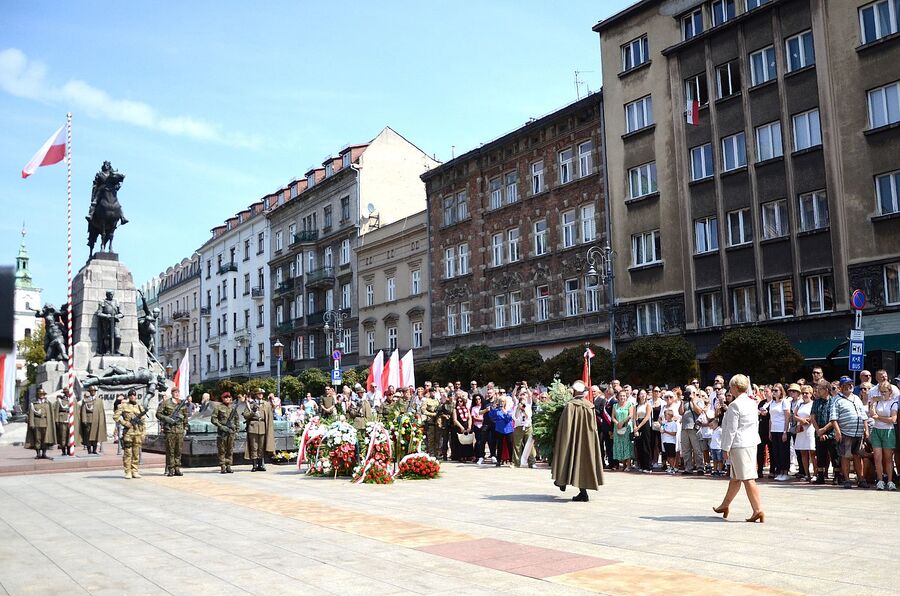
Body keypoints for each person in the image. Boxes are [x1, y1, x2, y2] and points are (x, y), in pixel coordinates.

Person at [714, 374, 764, 523]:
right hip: (750, 442)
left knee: (748, 478)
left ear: (735, 388)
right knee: (735, 477)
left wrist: (725, 447)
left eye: (730, 387)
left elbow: (731, 429)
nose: (729, 389)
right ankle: (725, 505)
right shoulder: (751, 402)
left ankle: (757, 510)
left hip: (739, 444)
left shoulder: (735, 405)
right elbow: (755, 424)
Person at [551, 381, 604, 501]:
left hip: (572, 438)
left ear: (575, 391)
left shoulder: (570, 406)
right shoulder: (590, 406)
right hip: (587, 440)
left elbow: (565, 427)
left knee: (568, 458)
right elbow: (593, 427)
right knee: (583, 463)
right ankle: (582, 493)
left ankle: (562, 481)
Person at [831, 376, 869, 489]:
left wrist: (866, 430)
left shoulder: (856, 398)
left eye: (851, 384)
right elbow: (833, 418)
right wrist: (838, 432)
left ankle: (861, 479)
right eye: (847, 384)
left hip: (858, 433)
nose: (850, 386)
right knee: (846, 457)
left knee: (858, 456)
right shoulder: (836, 399)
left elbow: (863, 415)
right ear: (841, 387)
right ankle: (847, 480)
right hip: (845, 433)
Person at [867, 381, 897, 491]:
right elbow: (872, 414)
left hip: (888, 431)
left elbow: (893, 420)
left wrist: (878, 418)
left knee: (888, 458)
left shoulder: (893, 402)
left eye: (885, 391)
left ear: (890, 391)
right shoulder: (878, 401)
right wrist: (872, 403)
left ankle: (890, 480)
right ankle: (880, 480)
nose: (883, 394)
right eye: (881, 391)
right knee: (877, 457)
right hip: (877, 430)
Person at [811, 379, 839, 484]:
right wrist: (819, 431)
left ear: (826, 390)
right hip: (819, 432)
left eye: (820, 389)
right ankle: (821, 476)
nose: (818, 390)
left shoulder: (833, 401)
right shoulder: (816, 402)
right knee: (820, 454)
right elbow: (813, 417)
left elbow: (834, 418)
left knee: (834, 454)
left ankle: (837, 476)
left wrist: (825, 430)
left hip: (831, 432)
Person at [113, 390, 146, 479]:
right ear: (128, 396)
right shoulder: (123, 406)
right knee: (128, 453)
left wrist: (143, 433)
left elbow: (143, 422)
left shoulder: (140, 407)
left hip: (138, 433)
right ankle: (127, 471)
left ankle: (135, 470)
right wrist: (124, 423)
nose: (132, 397)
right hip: (128, 433)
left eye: (134, 395)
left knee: (136, 453)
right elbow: (115, 416)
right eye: (130, 395)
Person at [156, 388, 189, 477]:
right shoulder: (166, 403)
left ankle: (177, 467)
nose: (177, 394)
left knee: (178, 450)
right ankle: (170, 468)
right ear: (172, 393)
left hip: (180, 430)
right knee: (170, 450)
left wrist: (185, 427)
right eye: (175, 392)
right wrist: (167, 419)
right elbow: (158, 414)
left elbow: (185, 416)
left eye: (178, 392)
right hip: (170, 430)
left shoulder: (182, 404)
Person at [244, 388, 275, 471]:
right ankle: (254, 465)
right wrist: (252, 412)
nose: (260, 395)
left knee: (261, 447)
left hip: (262, 426)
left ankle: (261, 464)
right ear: (255, 394)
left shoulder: (266, 404)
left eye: (261, 393)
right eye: (259, 393)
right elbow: (245, 415)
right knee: (254, 447)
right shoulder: (250, 404)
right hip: (253, 427)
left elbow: (270, 414)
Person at [792, 384, 816, 482]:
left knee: (812, 452)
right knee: (803, 452)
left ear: (811, 394)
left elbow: (813, 416)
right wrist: (801, 420)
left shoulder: (813, 404)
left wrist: (805, 420)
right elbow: (794, 415)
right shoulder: (800, 404)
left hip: (810, 429)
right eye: (803, 393)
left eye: (807, 393)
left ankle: (815, 473)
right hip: (801, 429)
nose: (805, 395)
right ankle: (807, 474)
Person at [211, 392, 240, 474]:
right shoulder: (218, 408)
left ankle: (229, 466)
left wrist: (237, 430)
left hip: (231, 432)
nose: (227, 399)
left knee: (230, 449)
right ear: (222, 399)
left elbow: (236, 419)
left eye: (228, 397)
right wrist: (221, 426)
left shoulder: (233, 408)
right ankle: (222, 466)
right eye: (225, 397)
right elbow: (213, 419)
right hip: (222, 432)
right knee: (222, 449)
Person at [768, 384, 791, 481]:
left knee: (783, 451)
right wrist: (769, 431)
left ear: (781, 391)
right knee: (776, 451)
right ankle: (779, 471)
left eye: (776, 390)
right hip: (774, 429)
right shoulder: (772, 403)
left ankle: (785, 471)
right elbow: (770, 418)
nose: (774, 392)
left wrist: (785, 431)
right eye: (773, 390)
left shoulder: (784, 402)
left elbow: (787, 417)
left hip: (782, 429)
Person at [679, 387, 705, 475]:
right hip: (684, 427)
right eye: (687, 392)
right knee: (686, 449)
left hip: (694, 427)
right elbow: (681, 412)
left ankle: (700, 468)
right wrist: (682, 401)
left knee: (697, 449)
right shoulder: (685, 401)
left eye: (689, 392)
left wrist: (693, 400)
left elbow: (699, 411)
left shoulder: (699, 401)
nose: (688, 393)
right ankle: (688, 468)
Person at [25, 388, 56, 459]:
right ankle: (38, 453)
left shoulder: (48, 403)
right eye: (40, 394)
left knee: (45, 439)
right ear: (38, 395)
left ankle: (44, 453)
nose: (41, 395)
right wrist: (32, 423)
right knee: (37, 439)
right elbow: (31, 414)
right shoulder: (34, 404)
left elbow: (50, 414)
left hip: (45, 423)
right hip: (37, 423)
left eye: (43, 394)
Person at [77, 385, 107, 454]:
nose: (93, 392)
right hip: (88, 420)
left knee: (95, 435)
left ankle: (94, 449)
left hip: (96, 421)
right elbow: (83, 410)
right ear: (89, 392)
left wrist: (101, 421)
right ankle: (89, 450)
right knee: (88, 436)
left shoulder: (99, 400)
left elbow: (101, 412)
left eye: (94, 391)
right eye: (91, 391)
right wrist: (84, 420)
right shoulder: (86, 400)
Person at [512, 386, 535, 468]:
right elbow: (515, 417)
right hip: (518, 427)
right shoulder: (516, 406)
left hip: (528, 426)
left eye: (524, 394)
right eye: (521, 394)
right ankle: (516, 463)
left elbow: (528, 416)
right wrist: (519, 409)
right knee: (517, 446)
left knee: (530, 445)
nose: (523, 396)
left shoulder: (528, 404)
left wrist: (526, 387)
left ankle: (532, 463)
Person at [612, 389, 634, 470]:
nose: (622, 397)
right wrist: (617, 423)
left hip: (626, 426)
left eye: (624, 396)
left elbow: (630, 415)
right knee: (619, 445)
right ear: (618, 397)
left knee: (627, 445)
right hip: (617, 427)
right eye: (621, 396)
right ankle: (623, 464)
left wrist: (622, 422)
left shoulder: (629, 404)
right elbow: (613, 417)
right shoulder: (615, 406)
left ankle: (628, 465)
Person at [632, 389, 653, 472]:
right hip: (638, 423)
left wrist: (639, 426)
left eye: (644, 394)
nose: (643, 395)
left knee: (646, 445)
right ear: (638, 396)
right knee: (639, 445)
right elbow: (634, 417)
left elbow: (647, 417)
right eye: (641, 394)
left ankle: (647, 466)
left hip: (645, 425)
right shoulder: (636, 406)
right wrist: (635, 427)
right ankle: (641, 465)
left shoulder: (648, 405)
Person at [450, 393, 474, 462]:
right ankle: (460, 456)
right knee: (460, 442)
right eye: (458, 401)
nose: (460, 403)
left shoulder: (467, 408)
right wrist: (461, 427)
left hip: (466, 425)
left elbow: (469, 418)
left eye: (461, 401)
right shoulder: (455, 409)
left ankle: (468, 456)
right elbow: (455, 420)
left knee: (468, 441)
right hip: (459, 426)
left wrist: (469, 426)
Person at [52, 389, 75, 456]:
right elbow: (56, 411)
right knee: (63, 436)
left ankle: (68, 450)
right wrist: (56, 420)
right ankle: (63, 451)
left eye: (68, 392)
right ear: (64, 393)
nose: (67, 393)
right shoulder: (61, 401)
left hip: (70, 419)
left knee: (69, 436)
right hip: (62, 419)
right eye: (66, 392)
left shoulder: (72, 400)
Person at [420, 389, 441, 457]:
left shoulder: (437, 401)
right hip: (430, 422)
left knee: (437, 439)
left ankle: (437, 454)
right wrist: (432, 414)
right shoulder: (426, 401)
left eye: (434, 391)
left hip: (437, 422)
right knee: (431, 439)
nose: (433, 393)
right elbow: (423, 411)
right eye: (432, 392)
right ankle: (431, 454)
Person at [661, 409, 678, 474]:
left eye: (666, 415)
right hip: (665, 441)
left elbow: (674, 433)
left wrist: (666, 431)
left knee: (671, 456)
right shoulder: (665, 423)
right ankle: (671, 467)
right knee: (668, 456)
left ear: (670, 416)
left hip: (671, 442)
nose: (665, 417)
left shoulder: (673, 424)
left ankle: (673, 467)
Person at [470, 394, 486, 464]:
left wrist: (480, 418)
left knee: (483, 441)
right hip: (477, 427)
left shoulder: (484, 407)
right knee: (479, 441)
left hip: (484, 426)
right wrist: (482, 419)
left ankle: (481, 455)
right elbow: (474, 418)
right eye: (476, 399)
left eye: (479, 399)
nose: (477, 400)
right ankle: (479, 456)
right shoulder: (473, 408)